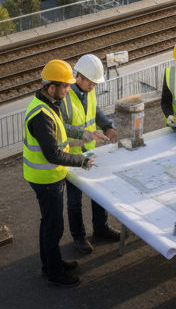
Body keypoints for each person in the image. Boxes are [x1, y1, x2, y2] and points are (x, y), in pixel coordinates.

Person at [24, 60, 96, 287]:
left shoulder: (48, 104)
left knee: (48, 224)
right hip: (46, 179)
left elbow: (59, 139)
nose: (68, 89)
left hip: (47, 177)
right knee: (53, 227)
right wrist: (81, 161)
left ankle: (50, 264)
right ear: (51, 86)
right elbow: (53, 154)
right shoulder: (41, 114)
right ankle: (54, 273)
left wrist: (80, 139)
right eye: (65, 85)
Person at [60, 55, 120, 255]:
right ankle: (78, 237)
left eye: (95, 83)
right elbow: (61, 127)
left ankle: (101, 227)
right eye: (90, 83)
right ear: (79, 77)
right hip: (72, 156)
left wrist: (108, 126)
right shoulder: (64, 95)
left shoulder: (89, 91)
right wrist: (83, 135)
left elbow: (95, 111)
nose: (93, 86)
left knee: (98, 192)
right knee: (74, 201)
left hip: (90, 151)